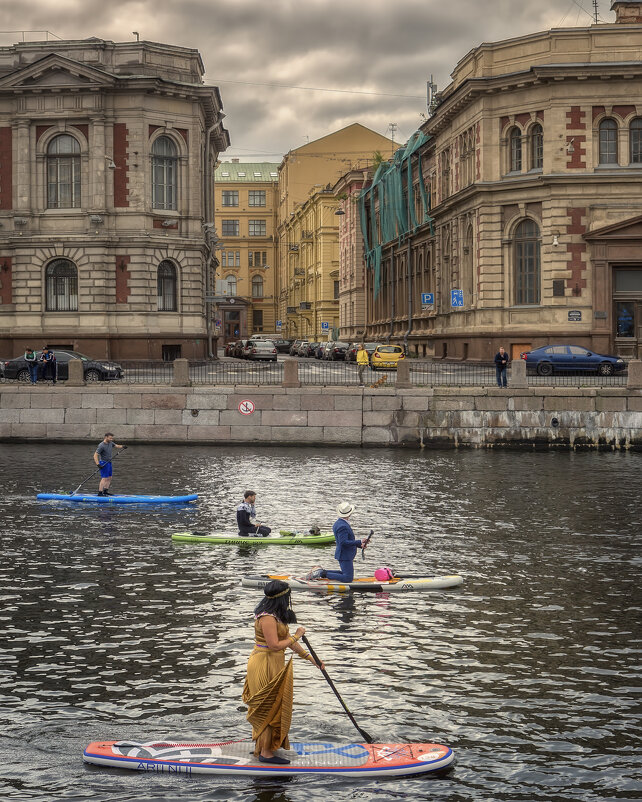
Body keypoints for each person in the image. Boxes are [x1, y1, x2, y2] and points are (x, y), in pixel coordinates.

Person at [242, 579, 323, 764]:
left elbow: (288, 641)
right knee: (269, 705)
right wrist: (297, 635)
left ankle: (264, 746)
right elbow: (275, 645)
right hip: (264, 662)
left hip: (274, 662)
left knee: (274, 704)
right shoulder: (267, 618)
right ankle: (265, 754)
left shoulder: (276, 614)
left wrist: (312, 659)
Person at [307, 502, 368, 582]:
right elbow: (343, 542)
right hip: (345, 555)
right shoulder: (343, 526)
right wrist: (359, 541)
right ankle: (321, 574)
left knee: (345, 574)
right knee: (348, 578)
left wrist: (360, 545)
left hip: (344, 554)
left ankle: (321, 572)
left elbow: (345, 541)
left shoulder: (339, 523)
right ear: (350, 514)